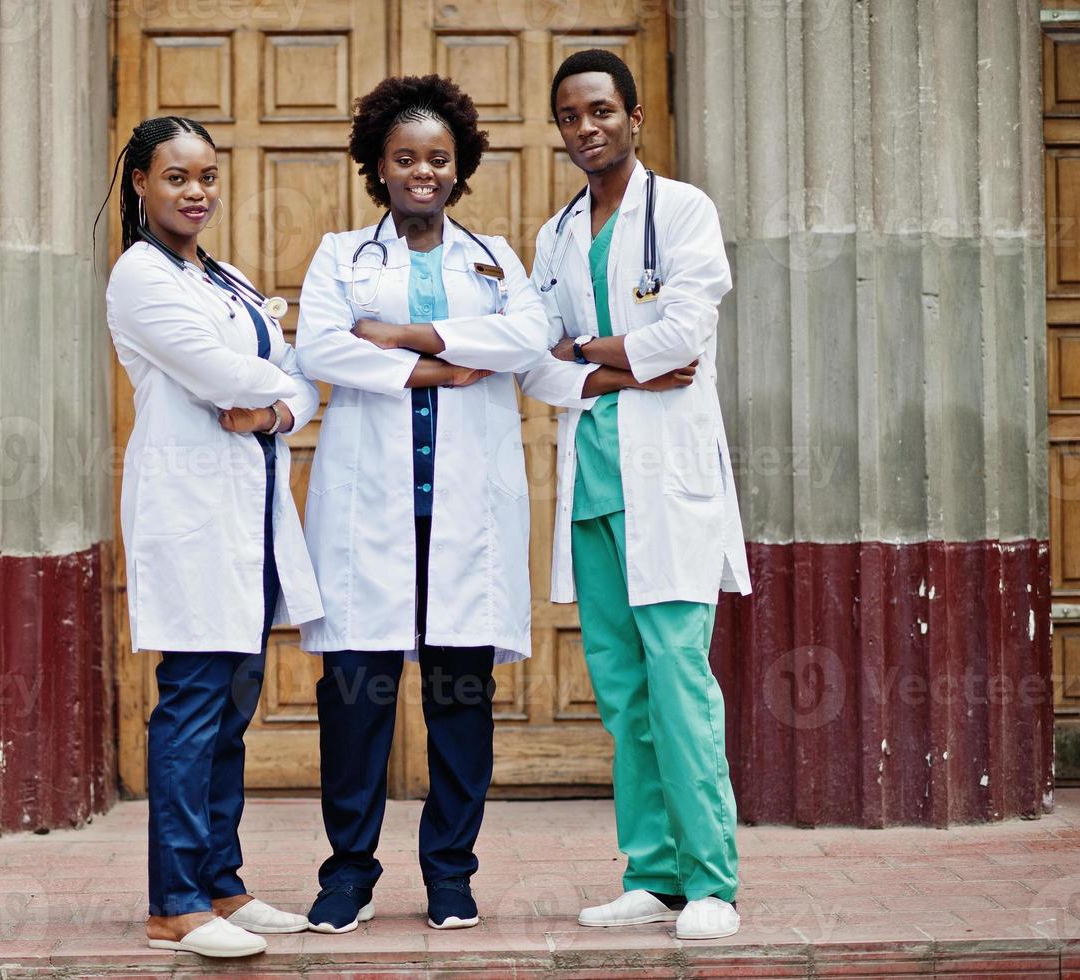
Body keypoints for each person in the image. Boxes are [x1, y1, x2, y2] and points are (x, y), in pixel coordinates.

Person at [294, 75, 546, 935]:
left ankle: (449, 873)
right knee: (356, 698)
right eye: (405, 158)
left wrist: (401, 338)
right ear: (378, 165)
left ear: (459, 165)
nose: (423, 173)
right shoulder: (340, 254)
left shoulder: (496, 256)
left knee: (458, 698)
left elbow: (528, 336)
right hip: (372, 512)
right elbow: (321, 344)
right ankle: (347, 873)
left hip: (463, 514)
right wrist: (442, 368)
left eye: (438, 158)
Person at [519, 50, 752, 941]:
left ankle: (712, 882)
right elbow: (539, 362)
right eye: (570, 116)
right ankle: (652, 874)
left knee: (679, 682)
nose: (586, 128)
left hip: (671, 487)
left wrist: (587, 349)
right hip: (595, 492)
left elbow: (686, 337)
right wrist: (604, 359)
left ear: (634, 115)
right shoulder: (556, 234)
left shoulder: (682, 210)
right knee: (622, 692)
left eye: (600, 111)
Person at [102, 115, 324, 958]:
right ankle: (174, 900)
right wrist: (282, 393)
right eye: (175, 178)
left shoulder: (223, 276)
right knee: (192, 708)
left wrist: (274, 408)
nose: (195, 193)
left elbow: (294, 381)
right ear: (140, 184)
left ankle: (222, 885)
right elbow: (222, 373)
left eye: (206, 178)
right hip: (191, 517)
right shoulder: (139, 277)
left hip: (251, 515)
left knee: (231, 709)